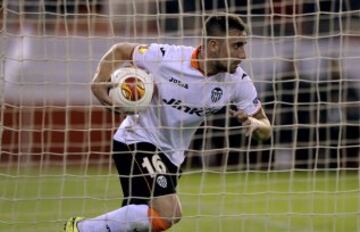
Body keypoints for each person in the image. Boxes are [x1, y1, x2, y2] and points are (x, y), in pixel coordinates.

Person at [64, 15, 272, 232]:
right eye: (236, 46)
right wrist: (98, 82)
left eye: (243, 46)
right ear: (213, 45)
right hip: (137, 140)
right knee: (169, 213)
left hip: (172, 158)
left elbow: (266, 126)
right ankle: (80, 228)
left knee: (142, 221)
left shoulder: (238, 82)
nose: (243, 54)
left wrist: (256, 126)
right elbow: (120, 50)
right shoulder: (167, 57)